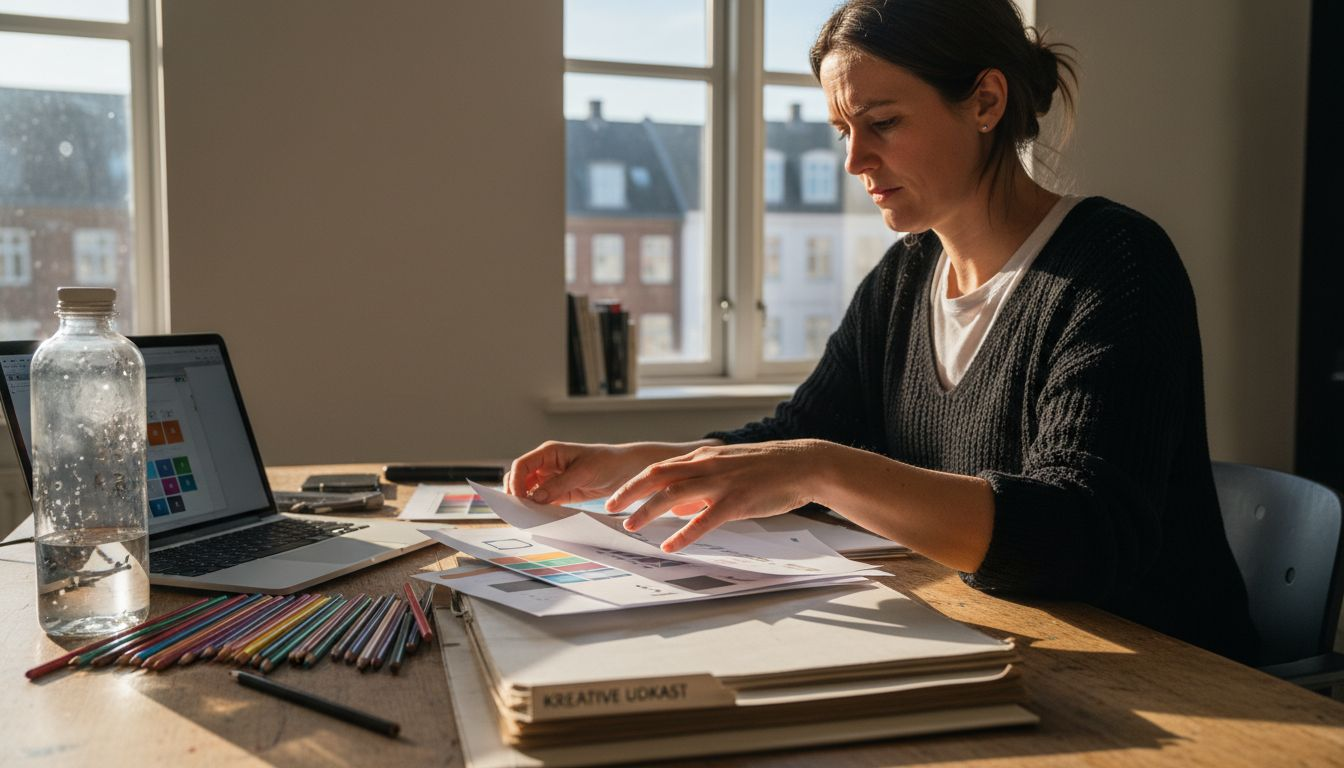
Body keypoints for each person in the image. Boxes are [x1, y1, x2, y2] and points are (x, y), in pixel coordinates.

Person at [510, 0, 1257, 663]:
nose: (853, 161)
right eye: (842, 129)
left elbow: (1083, 538)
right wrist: (625, 463)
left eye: (883, 124)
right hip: (1001, 650)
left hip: (1161, 673)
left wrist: (821, 467)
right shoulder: (905, 278)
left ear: (986, 101)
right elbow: (796, 437)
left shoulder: (1117, 263)